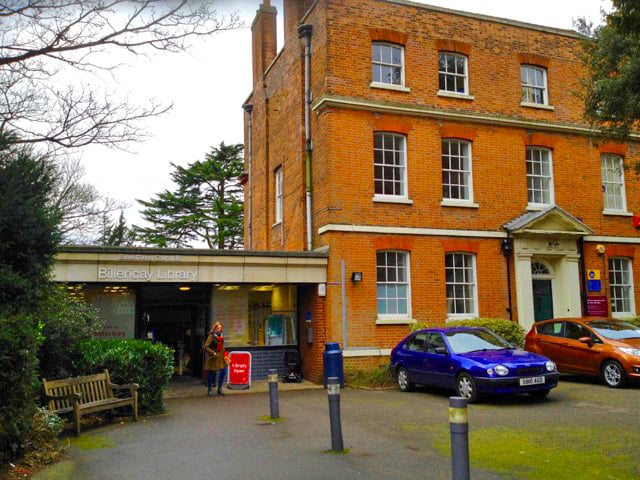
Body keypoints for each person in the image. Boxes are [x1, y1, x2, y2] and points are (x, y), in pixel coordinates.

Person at [204, 322, 228, 397]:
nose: (220, 329)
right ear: (215, 329)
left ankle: (219, 389)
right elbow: (206, 346)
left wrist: (225, 353)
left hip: (220, 356)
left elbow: (222, 345)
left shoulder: (221, 335)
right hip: (213, 357)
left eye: (220, 328)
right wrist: (212, 352)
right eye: (218, 328)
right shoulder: (211, 336)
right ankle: (210, 390)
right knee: (211, 373)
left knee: (224, 371)